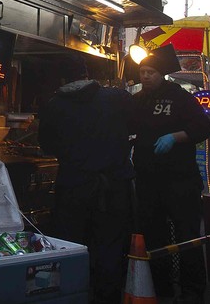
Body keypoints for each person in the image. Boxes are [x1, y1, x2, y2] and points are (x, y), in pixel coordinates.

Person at [39, 55, 134, 304]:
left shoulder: (54, 105)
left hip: (73, 186)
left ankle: (73, 296)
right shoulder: (117, 98)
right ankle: (107, 298)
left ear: (61, 79)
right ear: (87, 74)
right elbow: (136, 126)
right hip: (114, 187)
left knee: (70, 246)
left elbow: (47, 145)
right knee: (110, 246)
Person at [130, 44, 210, 304]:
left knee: (187, 237)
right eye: (142, 71)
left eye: (151, 72)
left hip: (180, 180)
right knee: (153, 236)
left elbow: (202, 127)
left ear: (161, 74)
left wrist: (175, 138)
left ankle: (192, 291)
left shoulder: (179, 97)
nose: (145, 76)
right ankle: (159, 286)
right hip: (147, 180)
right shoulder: (137, 99)